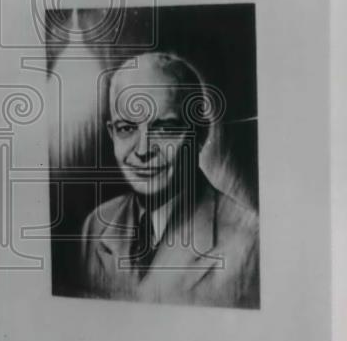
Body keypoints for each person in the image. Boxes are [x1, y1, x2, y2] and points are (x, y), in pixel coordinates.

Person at [80, 52, 259, 308]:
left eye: (164, 128)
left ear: (200, 133)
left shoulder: (248, 240)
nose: (143, 150)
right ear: (112, 133)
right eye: (126, 128)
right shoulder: (95, 227)